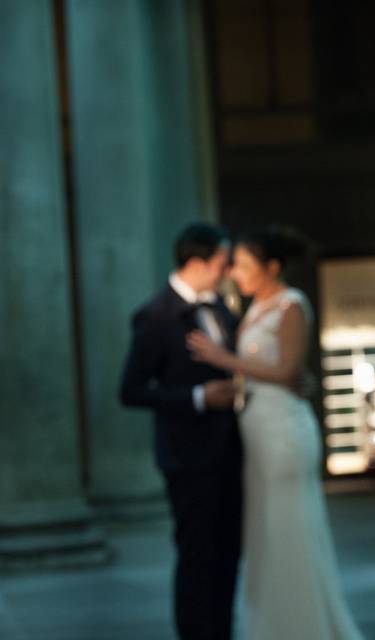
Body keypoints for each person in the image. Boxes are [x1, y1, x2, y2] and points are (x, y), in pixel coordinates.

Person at [186, 227, 362, 640]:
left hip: (283, 431)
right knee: (266, 530)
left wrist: (223, 359)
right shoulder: (249, 308)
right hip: (257, 433)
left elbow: (285, 371)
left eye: (246, 266)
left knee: (290, 529)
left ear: (272, 267)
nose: (236, 274)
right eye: (235, 266)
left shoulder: (291, 304)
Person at [119, 223, 242, 640]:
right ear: (196, 262)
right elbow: (130, 391)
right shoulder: (154, 316)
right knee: (196, 556)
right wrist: (198, 397)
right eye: (222, 262)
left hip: (232, 452)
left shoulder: (223, 309)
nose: (228, 271)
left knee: (228, 552)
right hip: (187, 456)